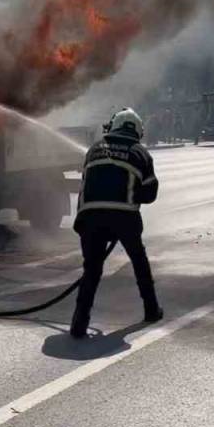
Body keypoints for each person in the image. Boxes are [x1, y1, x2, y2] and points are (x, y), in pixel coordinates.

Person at [70, 108, 163, 338]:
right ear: (138, 130)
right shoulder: (140, 153)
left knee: (91, 270)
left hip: (89, 217)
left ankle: (78, 324)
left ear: (113, 127)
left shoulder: (93, 150)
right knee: (139, 262)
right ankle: (151, 310)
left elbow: (86, 184)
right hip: (124, 218)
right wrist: (132, 194)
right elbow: (150, 194)